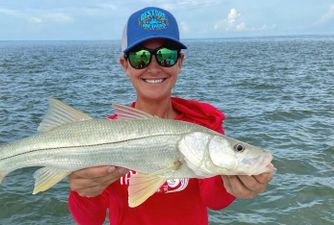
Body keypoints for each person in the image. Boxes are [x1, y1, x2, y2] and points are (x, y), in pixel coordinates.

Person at [67, 6, 273, 225]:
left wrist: (233, 185)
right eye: (140, 57)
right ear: (125, 65)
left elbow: (214, 200)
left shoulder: (201, 127)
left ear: (180, 62)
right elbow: (89, 220)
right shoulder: (104, 135)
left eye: (166, 55)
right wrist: (83, 191)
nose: (154, 67)